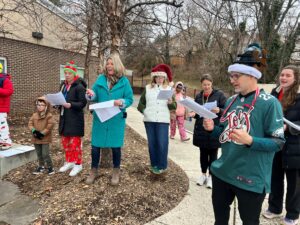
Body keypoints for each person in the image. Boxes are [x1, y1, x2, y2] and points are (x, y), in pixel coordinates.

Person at [203, 43, 285, 225]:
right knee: (220, 221)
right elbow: (224, 135)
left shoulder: (270, 103)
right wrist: (212, 129)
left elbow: (278, 142)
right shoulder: (231, 100)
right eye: (231, 76)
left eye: (236, 76)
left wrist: (250, 140)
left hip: (251, 179)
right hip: (223, 172)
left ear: (251, 75)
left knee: (249, 222)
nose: (232, 80)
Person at [85, 53, 133, 185]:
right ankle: (94, 170)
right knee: (95, 146)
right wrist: (90, 95)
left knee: (116, 147)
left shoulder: (124, 82)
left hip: (116, 120)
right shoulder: (101, 79)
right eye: (108, 63)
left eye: (112, 63)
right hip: (100, 119)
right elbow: (93, 95)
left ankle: (116, 171)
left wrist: (121, 102)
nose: (109, 66)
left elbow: (130, 99)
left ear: (117, 65)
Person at [263, 65, 300, 225]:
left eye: (288, 76)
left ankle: (292, 214)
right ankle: (274, 207)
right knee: (275, 178)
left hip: (295, 146)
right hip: (276, 143)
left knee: (294, 183)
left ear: (296, 78)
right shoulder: (274, 93)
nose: (283, 78)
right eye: (282, 75)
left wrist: (288, 127)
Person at [137, 64, 177, 175]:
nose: (159, 79)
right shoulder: (147, 88)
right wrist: (145, 112)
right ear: (154, 77)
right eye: (157, 77)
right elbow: (140, 104)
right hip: (149, 120)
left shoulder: (169, 89)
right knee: (152, 143)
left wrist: (170, 103)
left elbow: (174, 107)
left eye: (162, 77)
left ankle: (162, 165)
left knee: (162, 143)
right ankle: (154, 164)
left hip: (163, 121)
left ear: (164, 78)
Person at [190, 74, 226, 188]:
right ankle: (203, 174)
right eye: (204, 85)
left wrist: (219, 110)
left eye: (208, 84)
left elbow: (226, 111)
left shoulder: (219, 95)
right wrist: (193, 114)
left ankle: (211, 176)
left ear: (212, 84)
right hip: (201, 129)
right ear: (201, 84)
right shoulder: (199, 96)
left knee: (213, 154)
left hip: (214, 128)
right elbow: (197, 112)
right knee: (203, 154)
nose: (206, 87)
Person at [58, 61, 87, 177]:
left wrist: (71, 105)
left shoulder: (79, 87)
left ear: (74, 74)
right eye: (65, 73)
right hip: (64, 118)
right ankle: (69, 161)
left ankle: (78, 164)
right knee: (66, 143)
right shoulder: (63, 86)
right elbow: (61, 98)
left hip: (75, 120)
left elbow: (82, 103)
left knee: (75, 144)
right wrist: (57, 104)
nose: (66, 75)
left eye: (69, 73)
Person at [29, 96, 55, 175]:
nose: (39, 106)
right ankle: (41, 166)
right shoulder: (34, 115)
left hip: (45, 138)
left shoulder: (49, 116)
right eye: (38, 104)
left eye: (41, 105)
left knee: (45, 154)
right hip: (36, 137)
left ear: (46, 106)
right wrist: (34, 131)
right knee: (39, 153)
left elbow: (50, 125)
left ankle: (50, 167)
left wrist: (42, 133)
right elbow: (30, 124)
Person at [0, 63, 14, 150]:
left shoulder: (4, 80)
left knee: (2, 124)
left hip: (2, 107)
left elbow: (9, 91)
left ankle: (6, 141)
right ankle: (1, 140)